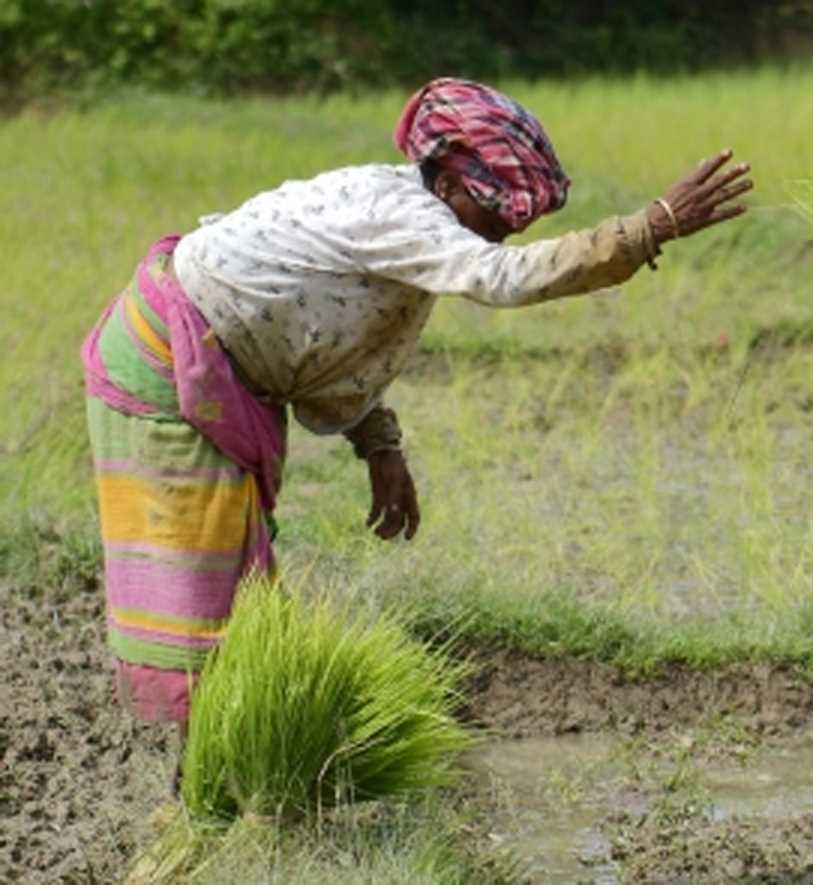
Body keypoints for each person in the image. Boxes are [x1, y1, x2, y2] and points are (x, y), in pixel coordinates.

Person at [80, 77, 753, 734]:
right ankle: (199, 790)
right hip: (169, 368)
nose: (504, 235)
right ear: (454, 186)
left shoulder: (415, 223)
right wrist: (649, 227)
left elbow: (331, 334)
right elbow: (502, 279)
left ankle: (231, 768)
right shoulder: (398, 214)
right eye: (499, 216)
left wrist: (380, 442)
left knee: (229, 591)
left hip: (211, 372)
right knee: (201, 602)